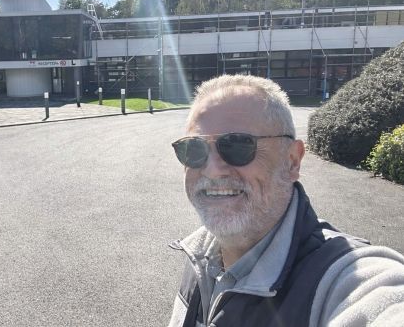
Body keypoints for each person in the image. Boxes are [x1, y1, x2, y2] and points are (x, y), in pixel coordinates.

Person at [168, 75, 404, 327]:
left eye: (237, 145)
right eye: (193, 149)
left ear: (292, 160)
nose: (213, 170)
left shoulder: (347, 281)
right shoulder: (200, 257)